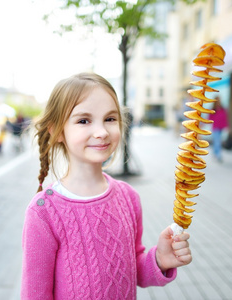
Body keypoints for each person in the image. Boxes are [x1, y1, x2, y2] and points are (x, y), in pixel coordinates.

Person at [21, 73, 192, 299]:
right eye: (84, 121)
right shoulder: (43, 212)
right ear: (57, 131)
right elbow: (35, 294)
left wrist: (159, 259)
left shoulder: (128, 197)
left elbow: (133, 268)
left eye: (110, 119)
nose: (101, 132)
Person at [209, 96, 229, 162]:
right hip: (215, 127)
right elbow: (210, 118)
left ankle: (215, 153)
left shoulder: (223, 109)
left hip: (221, 127)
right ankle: (218, 155)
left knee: (217, 141)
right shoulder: (213, 109)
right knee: (217, 141)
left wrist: (227, 126)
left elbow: (225, 118)